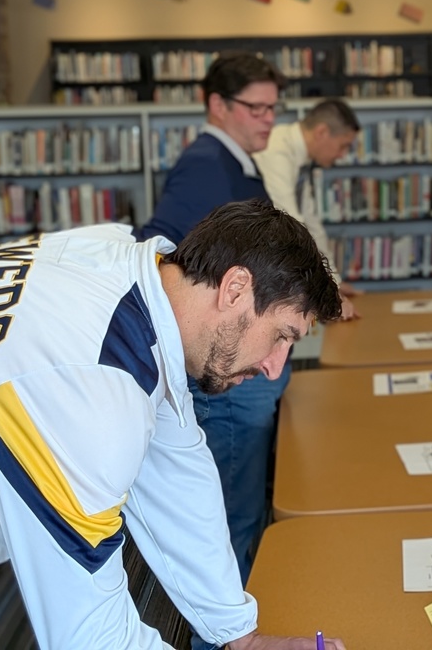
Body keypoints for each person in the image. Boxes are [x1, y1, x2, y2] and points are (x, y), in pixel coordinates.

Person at [0, 199, 345, 650]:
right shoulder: (89, 389)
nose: (276, 367)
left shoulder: (123, 267)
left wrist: (241, 638)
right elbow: (87, 636)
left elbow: (177, 468)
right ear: (235, 288)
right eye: (282, 335)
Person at [138, 52, 290, 596]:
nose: (268, 118)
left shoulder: (236, 163)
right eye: (256, 107)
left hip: (244, 360)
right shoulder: (207, 164)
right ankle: (227, 628)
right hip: (226, 369)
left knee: (241, 507)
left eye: (274, 108)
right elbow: (159, 242)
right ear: (217, 105)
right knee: (231, 516)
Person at [254, 98, 361, 320]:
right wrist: (328, 292)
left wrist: (335, 282)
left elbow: (311, 223)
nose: (342, 155)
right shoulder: (277, 150)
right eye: (342, 145)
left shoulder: (302, 160)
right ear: (321, 132)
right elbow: (292, 222)